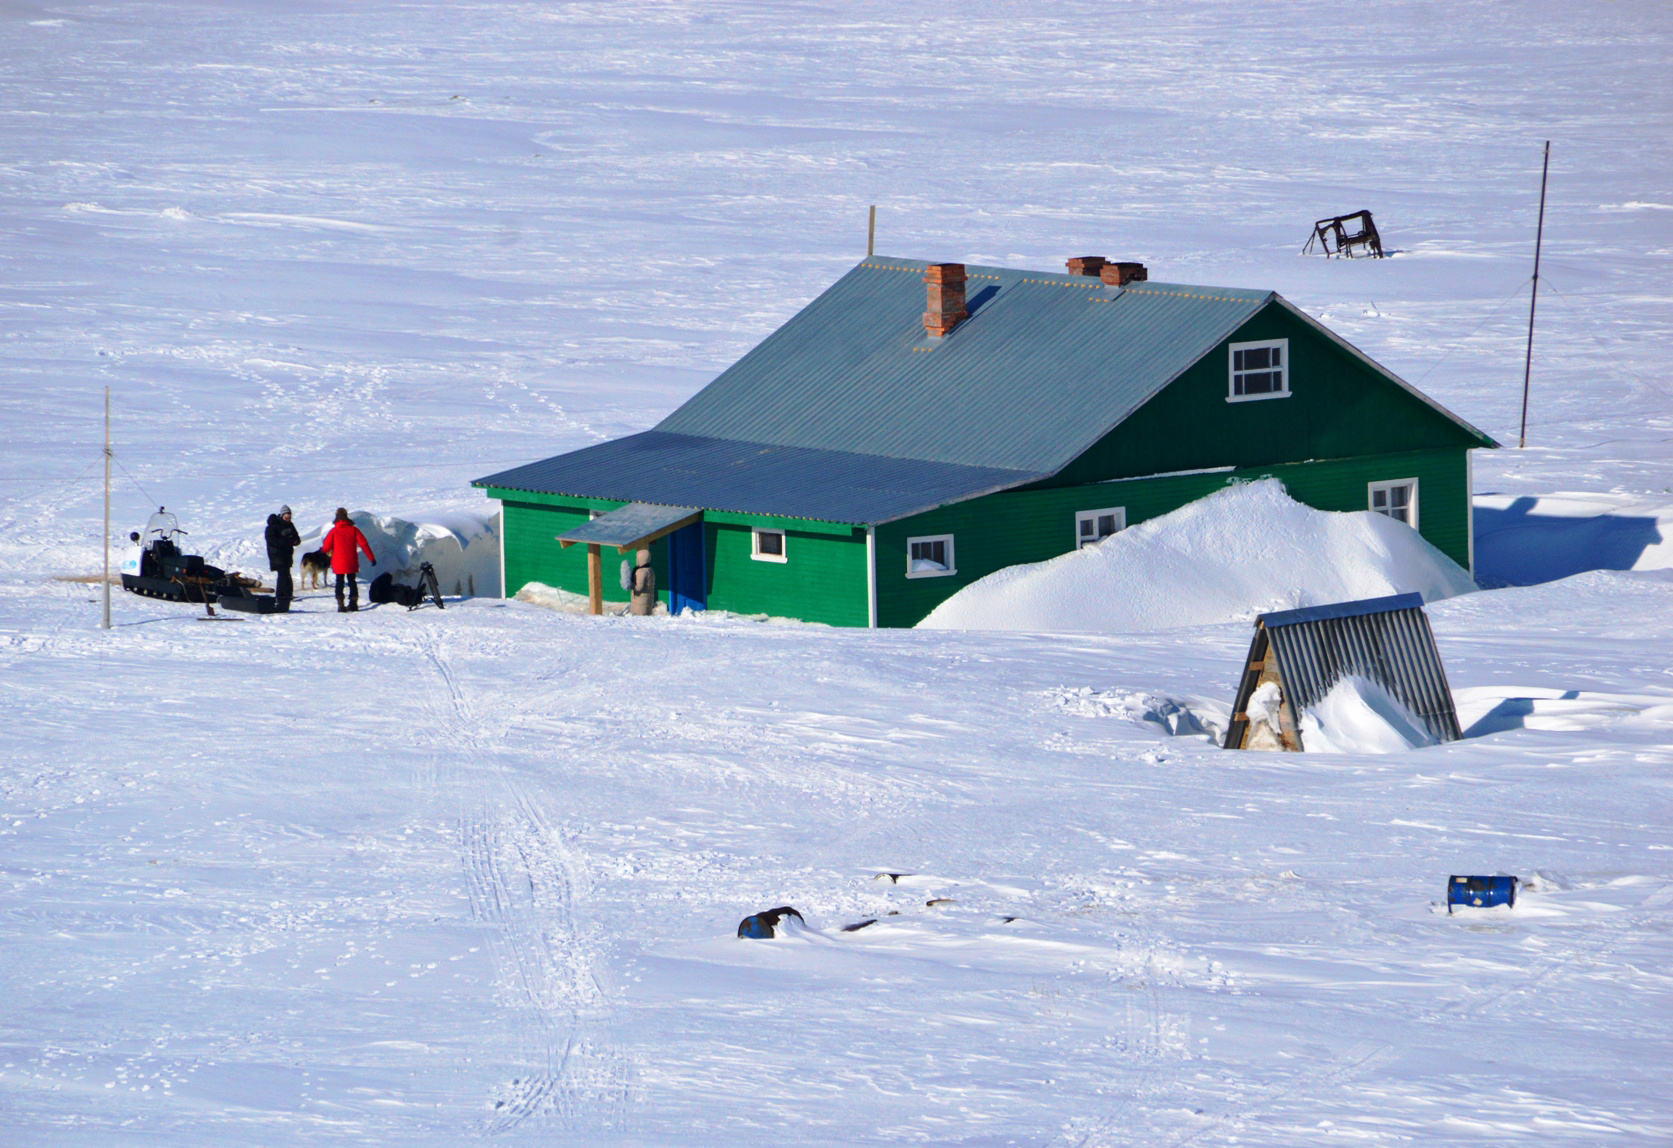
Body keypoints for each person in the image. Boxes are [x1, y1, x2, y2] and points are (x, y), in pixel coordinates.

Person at [319, 507, 376, 612]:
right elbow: (364, 544)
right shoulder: (354, 530)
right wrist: (371, 558)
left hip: (338, 561)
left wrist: (322, 550)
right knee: (352, 581)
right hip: (351, 561)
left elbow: (326, 547)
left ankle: (341, 604)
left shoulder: (334, 531)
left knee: (339, 582)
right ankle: (353, 603)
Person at [264, 504, 301, 612]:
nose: (288, 520)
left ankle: (287, 595)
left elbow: (296, 537)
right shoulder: (273, 526)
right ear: (281, 516)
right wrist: (286, 541)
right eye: (286, 518)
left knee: (286, 575)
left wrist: (295, 541)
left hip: (287, 554)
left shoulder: (290, 525)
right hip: (277, 555)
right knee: (283, 575)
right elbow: (272, 541)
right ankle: (282, 596)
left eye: (289, 518)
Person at [628, 547, 655, 616]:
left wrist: (629, 584)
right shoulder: (650, 569)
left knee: (639, 621)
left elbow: (639, 588)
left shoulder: (641, 571)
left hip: (640, 601)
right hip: (647, 599)